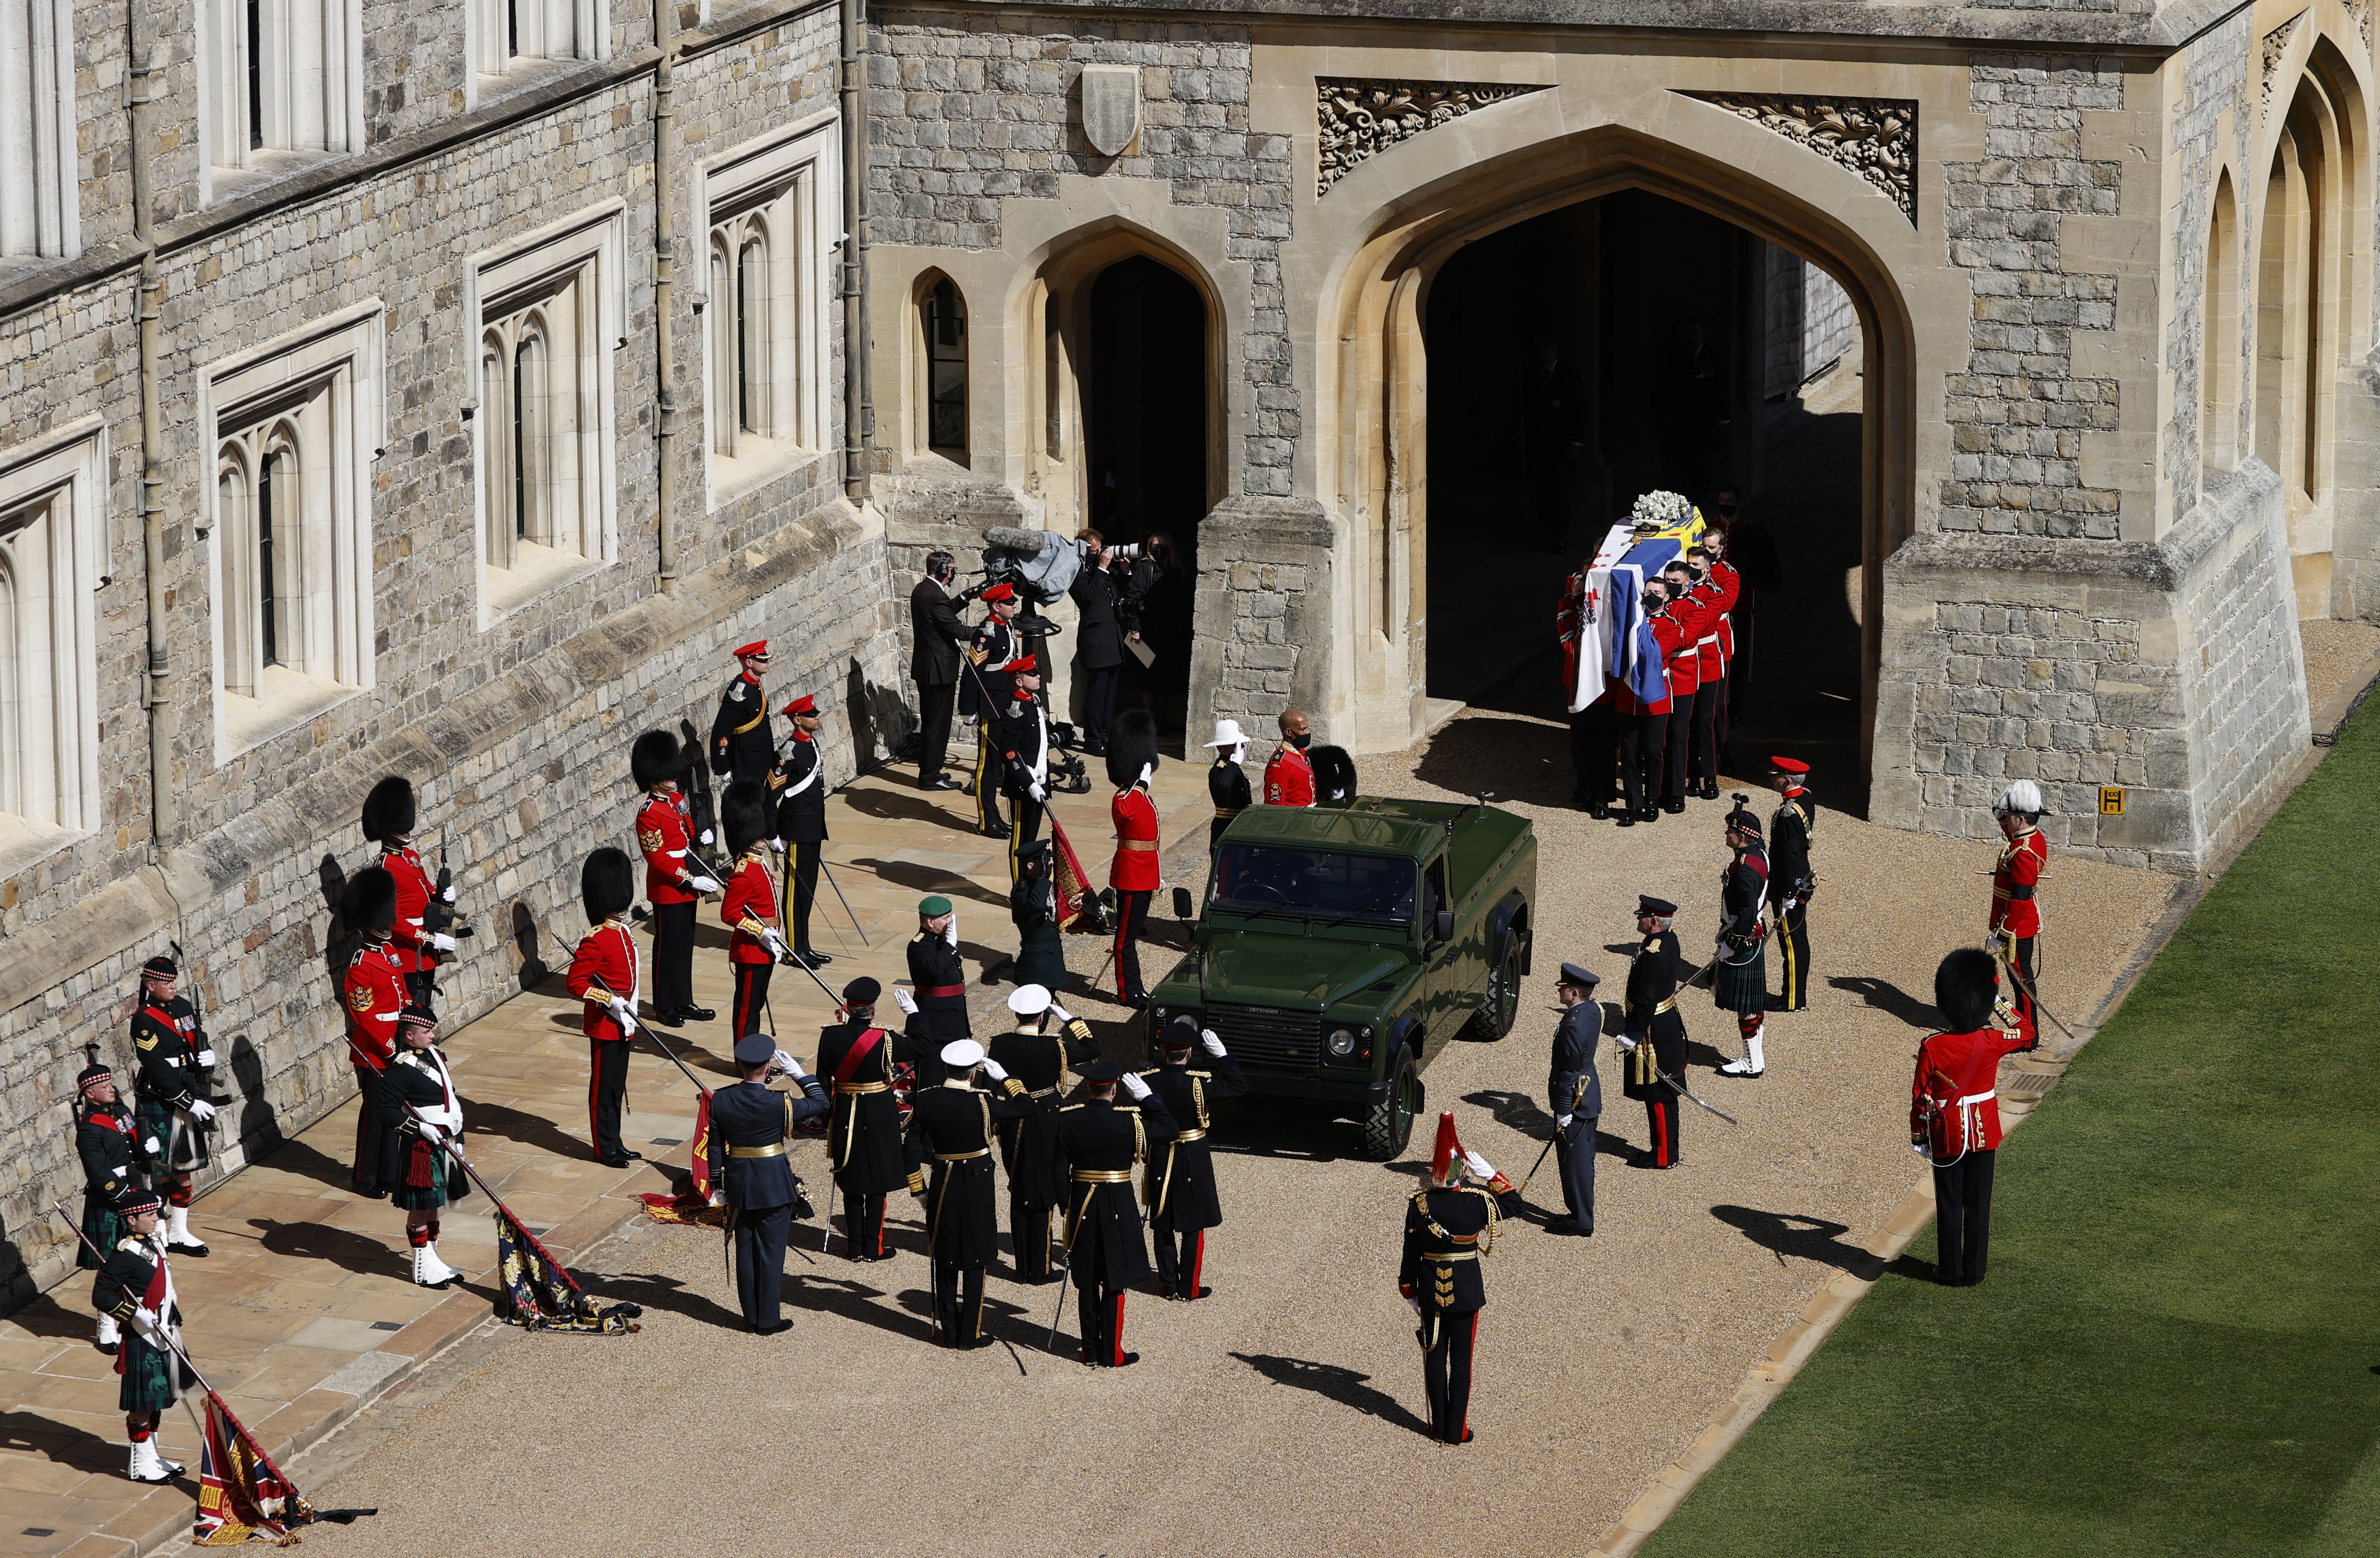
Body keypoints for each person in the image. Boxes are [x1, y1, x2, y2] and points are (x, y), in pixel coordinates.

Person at [903, 1039, 1037, 1347]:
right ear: (974, 1074)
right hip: (977, 1183)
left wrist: (919, 1190)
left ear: (947, 1068)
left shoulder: (926, 1099)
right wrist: (1006, 1078)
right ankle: (970, 1333)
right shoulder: (983, 1102)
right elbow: (1028, 1107)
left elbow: (910, 1150)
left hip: (942, 1181)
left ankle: (948, 1332)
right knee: (977, 1256)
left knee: (945, 1253)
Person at [1397, 1114, 1520, 1444]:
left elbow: (1410, 1252)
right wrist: (1492, 1174)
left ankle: (1437, 1427)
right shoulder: (1476, 1202)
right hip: (1465, 1291)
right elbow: (1514, 1203)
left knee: (1434, 1358)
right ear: (1463, 1172)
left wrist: (1409, 1290)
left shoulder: (1418, 1204)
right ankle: (1456, 1430)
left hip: (1428, 1290)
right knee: (1461, 1363)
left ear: (1435, 1175)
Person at [1912, 948, 2030, 1285]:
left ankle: (1950, 1269)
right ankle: (1975, 1269)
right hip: (1983, 1131)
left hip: (1947, 1133)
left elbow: (1920, 1097)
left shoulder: (1933, 1046)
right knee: (1977, 1205)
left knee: (1949, 1204)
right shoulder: (1992, 1040)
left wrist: (1919, 1138)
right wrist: (1997, 1000)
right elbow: (2025, 1031)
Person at [1054, 1059, 1178, 1367]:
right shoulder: (1129, 1123)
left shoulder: (1067, 1120)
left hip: (1081, 1203)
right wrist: (1148, 1098)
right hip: (1117, 1206)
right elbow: (1170, 1129)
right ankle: (1112, 1353)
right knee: (1114, 1278)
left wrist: (1066, 1206)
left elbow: (1057, 1170)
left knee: (1086, 1279)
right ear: (1114, 1089)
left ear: (1090, 1089)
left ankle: (1089, 1350)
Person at [709, 1033, 830, 1332]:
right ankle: (768, 1320)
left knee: (746, 1250)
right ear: (767, 1069)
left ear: (739, 1065)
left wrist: (716, 1183)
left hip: (738, 1182)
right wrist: (800, 1074)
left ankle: (750, 1316)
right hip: (773, 1182)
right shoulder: (779, 1102)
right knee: (772, 1253)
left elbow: (714, 1146)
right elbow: (821, 1102)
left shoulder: (721, 1098)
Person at [818, 977, 938, 1261]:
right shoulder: (884, 1038)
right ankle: (874, 1247)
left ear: (847, 1008)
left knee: (850, 1179)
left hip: (845, 1110)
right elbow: (925, 1046)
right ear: (872, 1011)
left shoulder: (830, 1036)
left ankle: (854, 1247)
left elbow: (823, 1081)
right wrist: (915, 1015)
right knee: (876, 1181)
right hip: (879, 1113)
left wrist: (826, 1118)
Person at [989, 984, 1101, 1281]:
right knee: (1044, 1188)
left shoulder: (999, 1044)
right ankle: (1039, 1268)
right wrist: (1069, 1018)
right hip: (1046, 1119)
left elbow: (990, 1086)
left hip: (1013, 1118)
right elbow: (1093, 1049)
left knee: (1020, 1183)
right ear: (1042, 1017)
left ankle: (1024, 1266)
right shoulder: (1054, 1047)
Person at [90, 1189, 193, 1483]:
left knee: (158, 1399)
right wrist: (134, 1315)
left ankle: (153, 1457)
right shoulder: (125, 1254)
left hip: (164, 1329)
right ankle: (140, 1465)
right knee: (142, 1407)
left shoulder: (152, 1243)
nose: (156, 1219)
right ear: (132, 1219)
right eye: (150, 1215)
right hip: (142, 1335)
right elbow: (102, 1295)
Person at [1138, 1018, 1245, 1299]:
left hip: (1161, 1153)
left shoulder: (1147, 1084)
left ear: (1163, 1050)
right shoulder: (1197, 1085)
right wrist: (1223, 1056)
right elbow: (1237, 1086)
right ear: (1188, 1053)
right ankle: (1189, 1287)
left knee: (1163, 1221)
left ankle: (1168, 1285)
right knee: (1193, 1223)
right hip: (1193, 1154)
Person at [375, 1005, 467, 1290]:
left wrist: (460, 1138)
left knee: (433, 1205)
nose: (432, 1036)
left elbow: (450, 1099)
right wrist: (419, 1129)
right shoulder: (401, 1069)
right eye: (426, 1032)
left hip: (445, 1140)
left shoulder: (436, 1056)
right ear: (409, 1035)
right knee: (420, 1207)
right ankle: (422, 1268)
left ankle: (434, 1261)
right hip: (420, 1147)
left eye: (432, 1031)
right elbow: (385, 1110)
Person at [634, 729, 720, 1027]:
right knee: (668, 946)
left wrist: (702, 835)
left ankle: (684, 1000)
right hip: (669, 885)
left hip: (687, 878)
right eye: (669, 777)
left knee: (686, 944)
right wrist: (689, 880)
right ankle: (664, 1005)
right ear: (655, 779)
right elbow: (657, 858)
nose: (674, 780)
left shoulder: (676, 801)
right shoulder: (648, 814)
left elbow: (687, 832)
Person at [128, 956, 213, 1257]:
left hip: (188, 1087)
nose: (173, 985)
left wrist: (206, 1056)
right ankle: (159, 1230)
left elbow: (195, 1037)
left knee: (186, 1166)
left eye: (174, 980)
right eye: (167, 982)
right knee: (162, 1170)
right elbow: (154, 1065)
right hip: (162, 1096)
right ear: (151, 986)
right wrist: (186, 1099)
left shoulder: (183, 1006)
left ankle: (180, 1230)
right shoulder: (144, 1019)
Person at [566, 847, 644, 1167]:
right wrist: (609, 999)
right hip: (606, 1023)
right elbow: (576, 983)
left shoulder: (623, 932)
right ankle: (603, 1147)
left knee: (616, 1088)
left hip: (624, 1022)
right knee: (602, 1090)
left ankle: (616, 1140)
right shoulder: (596, 939)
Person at [340, 866, 409, 1199]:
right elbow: (364, 1016)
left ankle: (389, 1172)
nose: (386, 926)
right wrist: (390, 1046)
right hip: (375, 1050)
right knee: (374, 1118)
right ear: (368, 925)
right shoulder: (360, 964)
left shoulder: (390, 952)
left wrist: (412, 1027)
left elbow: (403, 995)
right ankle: (365, 1175)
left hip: (397, 1042)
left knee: (393, 1114)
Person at [362, 775, 454, 1012]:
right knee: (413, 1011)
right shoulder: (384, 868)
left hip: (426, 949)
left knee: (426, 1007)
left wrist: (443, 894)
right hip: (409, 953)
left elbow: (425, 890)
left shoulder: (410, 857)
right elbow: (394, 921)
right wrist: (430, 940)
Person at [72, 1062, 146, 1354]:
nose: (111, 1088)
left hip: (137, 1188)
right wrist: (127, 1196)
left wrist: (147, 1147)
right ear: (90, 1094)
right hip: (112, 1200)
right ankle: (106, 1325)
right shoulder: (88, 1131)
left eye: (111, 1084)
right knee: (111, 1267)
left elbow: (134, 1140)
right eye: (104, 1087)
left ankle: (138, 1311)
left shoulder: (121, 1111)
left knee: (140, 1257)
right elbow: (99, 1174)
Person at [1613, 577, 1689, 827]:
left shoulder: (1671, 626)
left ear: (1667, 597)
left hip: (1655, 697)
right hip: (1628, 696)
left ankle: (1652, 801)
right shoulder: (1631, 621)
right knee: (1630, 754)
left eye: (1657, 592)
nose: (1652, 595)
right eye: (1648, 591)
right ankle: (1633, 804)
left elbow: (1652, 653)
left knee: (1653, 753)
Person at [1618, 895, 1687, 1168]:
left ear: (1654, 922)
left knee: (1658, 1092)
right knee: (1661, 1092)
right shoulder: (1665, 941)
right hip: (1663, 1022)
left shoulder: (1653, 953)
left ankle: (1663, 1156)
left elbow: (1646, 999)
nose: (1639, 920)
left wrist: (1633, 1032)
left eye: (1642, 917)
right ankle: (1664, 1148)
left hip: (1652, 1028)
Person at [719, 780, 791, 1040]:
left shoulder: (757, 864)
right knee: (747, 1011)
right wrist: (760, 930)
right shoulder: (744, 872)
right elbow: (729, 914)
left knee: (757, 1005)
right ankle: (745, 1062)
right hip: (751, 950)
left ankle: (756, 1059)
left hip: (766, 945)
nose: (764, 838)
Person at [768, 692, 833, 968]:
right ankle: (794, 950)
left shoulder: (811, 743)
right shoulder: (787, 753)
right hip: (795, 827)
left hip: (813, 826)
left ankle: (804, 946)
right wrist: (772, 834)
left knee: (808, 890)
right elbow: (770, 796)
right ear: (798, 720)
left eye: (816, 714)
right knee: (795, 892)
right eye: (811, 715)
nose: (817, 718)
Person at [1989, 778, 2050, 1050]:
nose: (2006, 821)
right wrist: (2002, 810)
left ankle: (2028, 1038)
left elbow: (2020, 900)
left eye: (2010, 816)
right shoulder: (2030, 838)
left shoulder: (2023, 853)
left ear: (2022, 819)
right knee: (2020, 981)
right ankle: (2029, 1033)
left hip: (2016, 928)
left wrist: (2002, 934)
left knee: (2022, 984)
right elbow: (2008, 830)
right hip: (2017, 925)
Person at [1712, 804, 1773, 1078]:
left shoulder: (1747, 868)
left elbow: (1747, 911)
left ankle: (1750, 1062)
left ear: (1743, 836)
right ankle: (1755, 1059)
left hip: (1743, 939)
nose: (1727, 833)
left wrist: (1733, 943)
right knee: (1752, 1005)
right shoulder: (1758, 854)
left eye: (1732, 831)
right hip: (1751, 937)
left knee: (1746, 1009)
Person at [1107, 709, 1161, 1008]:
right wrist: (1140, 783)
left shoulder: (1139, 794)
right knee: (1124, 938)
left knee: (1132, 936)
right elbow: (1127, 812)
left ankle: (1137, 987)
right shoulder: (1124, 796)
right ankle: (1127, 992)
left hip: (1144, 873)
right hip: (1130, 874)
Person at [1546, 963, 1602, 1236]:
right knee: (1578, 1161)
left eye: (1564, 989)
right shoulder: (1592, 1011)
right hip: (1588, 1093)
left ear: (1575, 993)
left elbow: (1569, 1072)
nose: (1561, 992)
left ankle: (1582, 1220)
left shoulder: (1573, 1026)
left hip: (1576, 1102)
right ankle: (1578, 1212)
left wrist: (1563, 1109)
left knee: (1575, 1164)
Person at [1558, 567, 1618, 818]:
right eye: (1579, 594)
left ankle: (1603, 795)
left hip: (1606, 689)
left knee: (1606, 745)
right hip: (1580, 686)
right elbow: (1571, 647)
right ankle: (1588, 788)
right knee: (1582, 743)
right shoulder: (1569, 614)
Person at [962, 585, 1022, 838]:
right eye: (1009, 602)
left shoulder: (1006, 627)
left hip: (1005, 702)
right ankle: (987, 821)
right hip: (990, 706)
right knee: (988, 767)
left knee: (1001, 763)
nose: (1014, 605)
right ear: (996, 606)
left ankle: (996, 816)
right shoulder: (986, 634)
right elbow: (972, 672)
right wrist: (967, 710)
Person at [1657, 561, 1714, 814]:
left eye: (1676, 582)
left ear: (1687, 582)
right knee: (1658, 736)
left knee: (1679, 735)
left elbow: (1684, 637)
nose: (1671, 585)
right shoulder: (1660, 603)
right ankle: (1659, 789)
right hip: (1660, 675)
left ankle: (1677, 792)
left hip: (1682, 674)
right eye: (1668, 581)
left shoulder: (1695, 608)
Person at [911, 550, 969, 791]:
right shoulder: (937, 596)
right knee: (938, 725)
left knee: (930, 723)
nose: (953, 572)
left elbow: (942, 614)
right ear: (943, 570)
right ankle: (931, 777)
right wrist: (987, 631)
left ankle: (929, 771)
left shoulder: (923, 590)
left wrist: (965, 597)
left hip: (927, 668)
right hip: (939, 670)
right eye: (952, 568)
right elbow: (955, 629)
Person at [1684, 544, 1738, 798]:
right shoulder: (1684, 591)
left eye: (1695, 566)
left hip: (1706, 659)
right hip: (1686, 664)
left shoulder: (1713, 593)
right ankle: (1692, 774)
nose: (1691, 569)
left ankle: (1710, 775)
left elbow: (1701, 621)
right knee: (1687, 722)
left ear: (1707, 568)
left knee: (1705, 720)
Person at [994, 653, 1052, 878]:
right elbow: (1009, 753)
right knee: (1021, 841)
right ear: (1019, 681)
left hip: (1040, 781)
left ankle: (1029, 884)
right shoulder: (1015, 709)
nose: (1038, 676)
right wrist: (1029, 783)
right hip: (1024, 786)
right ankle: (1019, 887)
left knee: (1032, 838)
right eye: (1032, 674)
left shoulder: (1033, 702)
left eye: (1036, 672)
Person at [1765, 757, 1816, 1013]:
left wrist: (1787, 893)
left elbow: (1789, 856)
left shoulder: (1788, 813)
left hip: (1789, 885)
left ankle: (1793, 999)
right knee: (1795, 941)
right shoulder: (1803, 798)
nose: (1774, 780)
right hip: (1796, 880)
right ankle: (1793, 995)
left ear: (1787, 780)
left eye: (1777, 776)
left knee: (1792, 944)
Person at [1069, 531, 1127, 755]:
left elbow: (1118, 589)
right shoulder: (1077, 573)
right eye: (1095, 550)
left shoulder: (1100, 572)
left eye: (1101, 548)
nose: (1101, 553)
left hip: (1111, 639)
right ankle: (1093, 739)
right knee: (1096, 693)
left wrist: (1122, 570)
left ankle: (1105, 734)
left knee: (1110, 692)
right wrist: (1102, 568)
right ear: (1084, 551)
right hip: (1096, 641)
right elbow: (1088, 597)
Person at [710, 641, 778, 785]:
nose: (767, 662)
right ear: (749, 662)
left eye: (766, 659)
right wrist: (722, 767)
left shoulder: (755, 686)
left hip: (761, 760)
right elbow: (722, 729)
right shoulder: (739, 691)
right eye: (762, 660)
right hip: (746, 763)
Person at [1008, 841, 1070, 993]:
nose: (1050, 862)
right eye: (1044, 859)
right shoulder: (1021, 891)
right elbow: (1035, 906)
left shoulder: (1037, 884)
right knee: (1038, 1008)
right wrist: (1043, 878)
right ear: (1030, 865)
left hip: (1050, 953)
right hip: (1037, 962)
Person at [906, 895, 970, 1041]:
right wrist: (949, 946)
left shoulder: (943, 940)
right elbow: (934, 969)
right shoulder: (919, 946)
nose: (950, 923)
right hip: (935, 1016)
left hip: (954, 1010)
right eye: (946, 918)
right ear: (930, 922)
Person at [1204, 719, 1253, 848]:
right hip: (1226, 826)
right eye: (1238, 745)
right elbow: (1223, 785)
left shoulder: (1232, 768)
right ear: (1225, 747)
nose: (1242, 748)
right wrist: (1235, 763)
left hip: (1240, 824)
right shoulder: (1219, 769)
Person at [1263, 710, 1316, 807]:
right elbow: (1275, 806)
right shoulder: (1279, 765)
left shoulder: (1303, 753)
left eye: (1307, 728)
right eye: (1303, 729)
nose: (1307, 732)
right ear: (1288, 732)